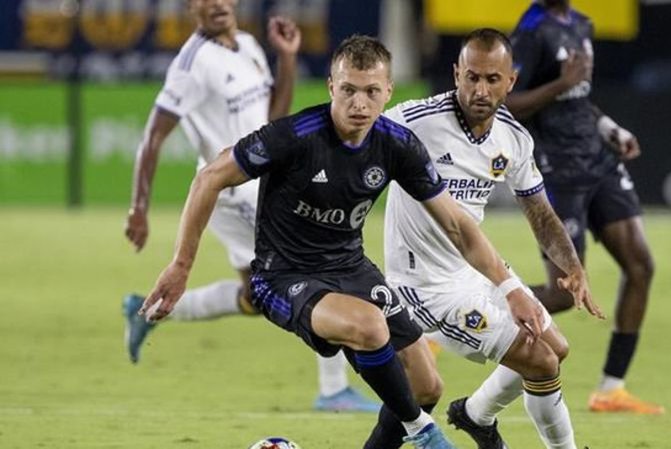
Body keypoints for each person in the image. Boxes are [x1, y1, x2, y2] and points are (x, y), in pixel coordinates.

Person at [139, 34, 557, 449]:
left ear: (388, 91)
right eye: (349, 90)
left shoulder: (397, 145)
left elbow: (458, 226)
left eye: (371, 91)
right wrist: (181, 266)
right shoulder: (295, 136)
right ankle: (423, 432)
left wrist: (511, 288)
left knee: (426, 386)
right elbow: (209, 178)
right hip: (284, 276)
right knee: (369, 326)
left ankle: (412, 422)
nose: (360, 103)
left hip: (350, 269)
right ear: (331, 87)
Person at [122, 0, 378, 413]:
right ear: (190, 6)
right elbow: (152, 135)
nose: (217, 3)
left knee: (254, 297)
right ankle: (333, 389)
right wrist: (139, 207)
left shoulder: (247, 45)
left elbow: (273, 116)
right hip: (234, 189)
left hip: (261, 181)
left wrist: (287, 58)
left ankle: (148, 309)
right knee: (316, 263)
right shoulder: (191, 64)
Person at [369, 28, 604, 449]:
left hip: (476, 271)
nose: (480, 89)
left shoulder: (513, 138)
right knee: (540, 360)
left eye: (492, 79)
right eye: (472, 77)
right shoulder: (413, 122)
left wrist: (572, 266)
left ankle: (475, 415)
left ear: (511, 80)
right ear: (456, 74)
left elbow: (540, 212)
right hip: (425, 287)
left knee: (556, 348)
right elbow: (352, 142)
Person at [506, 0, 663, 414]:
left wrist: (609, 127)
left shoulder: (581, 24)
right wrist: (560, 83)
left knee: (641, 266)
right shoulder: (531, 31)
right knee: (562, 295)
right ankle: (455, 314)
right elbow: (508, 102)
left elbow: (578, 98)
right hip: (558, 169)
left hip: (598, 159)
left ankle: (611, 389)